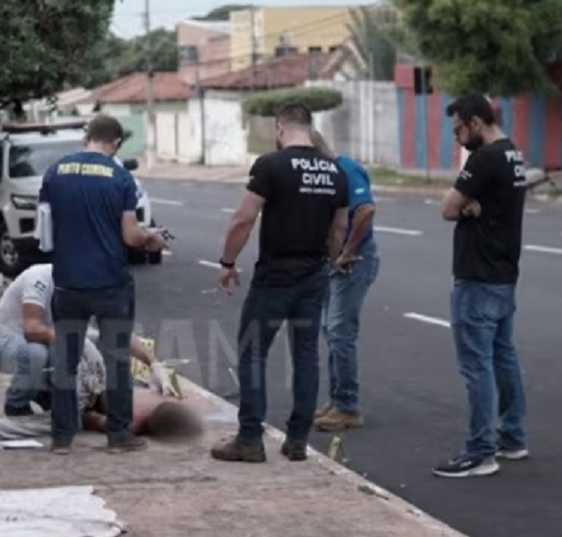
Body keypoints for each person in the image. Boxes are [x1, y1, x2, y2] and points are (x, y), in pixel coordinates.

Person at [210, 103, 349, 464]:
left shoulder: (270, 165)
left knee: (252, 352)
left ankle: (250, 439)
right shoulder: (335, 171)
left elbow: (243, 219)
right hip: (314, 275)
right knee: (306, 356)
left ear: (279, 128)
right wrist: (332, 259)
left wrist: (227, 262)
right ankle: (297, 440)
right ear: (309, 128)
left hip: (274, 277)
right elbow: (339, 229)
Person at [38, 114, 167, 455]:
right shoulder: (121, 177)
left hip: (67, 283)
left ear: (88, 137)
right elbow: (131, 235)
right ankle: (119, 435)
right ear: (116, 143)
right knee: (117, 360)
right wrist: (152, 238)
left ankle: (62, 438)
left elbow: (44, 231)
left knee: (65, 361)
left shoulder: (55, 172)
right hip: (110, 282)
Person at [434, 93, 528, 478]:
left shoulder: (485, 158)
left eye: (458, 129)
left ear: (475, 122)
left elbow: (447, 208)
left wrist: (465, 205)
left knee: (477, 365)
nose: (456, 137)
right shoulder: (512, 154)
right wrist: (469, 205)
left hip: (478, 276)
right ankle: (513, 438)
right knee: (503, 357)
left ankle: (480, 451)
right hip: (504, 274)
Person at [0, 263, 178, 418]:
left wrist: (153, 364)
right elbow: (31, 331)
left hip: (50, 338)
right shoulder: (39, 279)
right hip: (11, 340)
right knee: (38, 354)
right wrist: (80, 343)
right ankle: (16, 404)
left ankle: (48, 393)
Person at [310, 130, 379, 431]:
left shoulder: (345, 169)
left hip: (355, 259)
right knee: (330, 329)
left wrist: (348, 250)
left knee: (340, 331)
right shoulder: (326, 174)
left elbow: (365, 210)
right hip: (333, 260)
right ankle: (337, 398)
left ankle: (348, 406)